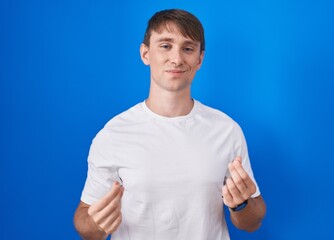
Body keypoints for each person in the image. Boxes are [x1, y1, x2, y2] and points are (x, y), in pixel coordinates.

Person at [74, 9, 266, 240]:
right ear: (145, 54)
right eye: (165, 46)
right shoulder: (113, 134)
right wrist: (96, 223)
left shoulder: (226, 130)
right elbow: (85, 223)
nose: (176, 59)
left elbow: (253, 222)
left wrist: (241, 205)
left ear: (199, 59)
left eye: (188, 48)